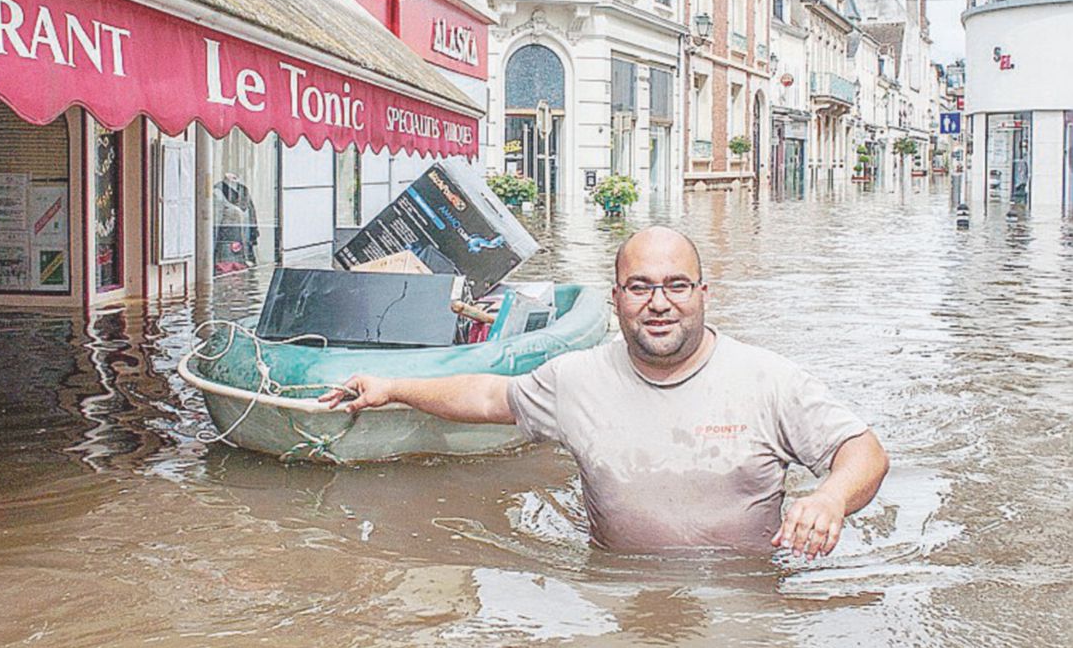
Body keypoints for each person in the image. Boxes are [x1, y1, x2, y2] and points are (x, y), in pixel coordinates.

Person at [324, 226, 889, 559]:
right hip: (616, 590)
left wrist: (830, 499)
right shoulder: (578, 380)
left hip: (748, 594)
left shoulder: (767, 381)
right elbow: (490, 398)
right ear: (616, 297)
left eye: (676, 286)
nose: (660, 303)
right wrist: (392, 386)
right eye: (641, 287)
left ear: (703, 294)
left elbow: (864, 452)